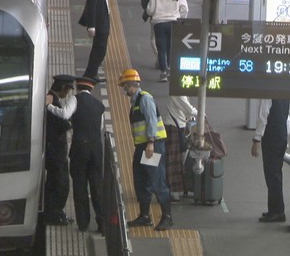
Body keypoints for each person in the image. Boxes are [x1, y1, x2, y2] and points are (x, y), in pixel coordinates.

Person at [118, 69, 173, 231]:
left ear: (130, 85)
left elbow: (151, 121)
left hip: (152, 146)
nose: (123, 89)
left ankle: (167, 217)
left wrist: (150, 142)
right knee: (141, 179)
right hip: (142, 147)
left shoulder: (145, 99)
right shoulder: (135, 101)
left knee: (157, 180)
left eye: (124, 86)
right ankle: (144, 216)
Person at [69, 77, 105, 232]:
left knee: (80, 186)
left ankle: (83, 223)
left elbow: (66, 115)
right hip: (96, 150)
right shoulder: (99, 105)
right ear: (91, 89)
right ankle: (102, 223)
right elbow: (101, 126)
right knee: (97, 187)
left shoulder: (74, 100)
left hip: (79, 149)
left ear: (78, 87)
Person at [43, 75, 77, 226]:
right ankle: (54, 214)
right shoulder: (50, 99)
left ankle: (56, 212)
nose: (68, 94)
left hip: (55, 150)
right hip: (55, 151)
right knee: (58, 183)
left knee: (58, 181)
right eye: (69, 90)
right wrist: (71, 122)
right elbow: (61, 124)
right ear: (63, 88)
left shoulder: (50, 98)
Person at [251, 99, 290, 222]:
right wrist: (286, 136)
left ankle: (277, 211)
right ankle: (274, 209)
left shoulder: (268, 93)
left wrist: (257, 139)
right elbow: (287, 117)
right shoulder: (285, 93)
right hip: (281, 134)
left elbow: (263, 115)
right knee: (276, 173)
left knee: (272, 174)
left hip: (271, 136)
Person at [146, 0, 188, 82]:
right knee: (170, 48)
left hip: (159, 24)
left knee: (161, 49)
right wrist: (180, 18)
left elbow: (149, 10)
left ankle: (163, 72)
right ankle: (170, 69)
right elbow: (185, 9)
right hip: (173, 23)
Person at [162, 95, 197, 200]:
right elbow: (188, 109)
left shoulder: (181, 92)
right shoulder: (178, 93)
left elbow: (187, 111)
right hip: (173, 127)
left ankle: (176, 189)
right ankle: (172, 191)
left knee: (178, 159)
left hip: (177, 126)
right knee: (173, 160)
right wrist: (201, 113)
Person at [78, 0, 110, 80]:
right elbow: (91, 8)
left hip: (103, 23)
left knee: (100, 50)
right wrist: (91, 27)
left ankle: (92, 73)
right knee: (99, 50)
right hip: (100, 25)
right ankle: (90, 74)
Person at [140, 0, 169, 68]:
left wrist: (149, 12)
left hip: (156, 18)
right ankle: (166, 61)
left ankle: (161, 59)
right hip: (172, 18)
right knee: (168, 41)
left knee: (154, 39)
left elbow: (144, 3)